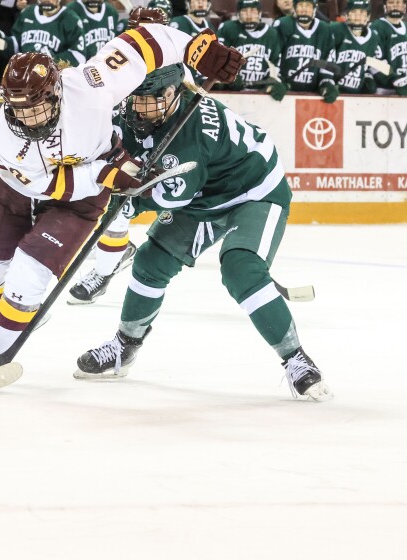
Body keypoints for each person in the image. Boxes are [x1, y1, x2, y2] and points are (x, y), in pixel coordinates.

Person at [0, 25, 243, 362]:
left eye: (36, 108)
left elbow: (141, 42)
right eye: (19, 110)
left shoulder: (91, 85)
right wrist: (104, 173)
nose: (27, 120)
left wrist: (197, 49)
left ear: (56, 94)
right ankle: (24, 311)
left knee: (28, 274)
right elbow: (45, 184)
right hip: (19, 189)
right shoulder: (6, 135)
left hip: (79, 204)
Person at [74, 64, 331, 403]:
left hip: (254, 191)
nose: (136, 108)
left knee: (241, 270)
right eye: (133, 99)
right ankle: (125, 346)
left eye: (145, 101)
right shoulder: (143, 110)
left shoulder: (188, 135)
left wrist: (128, 206)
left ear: (170, 95)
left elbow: (172, 195)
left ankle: (295, 358)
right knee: (151, 262)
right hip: (206, 193)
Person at [67, 6, 172, 306]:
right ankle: (105, 268)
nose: (144, 38)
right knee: (116, 205)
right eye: (138, 31)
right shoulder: (114, 56)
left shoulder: (177, 64)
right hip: (123, 137)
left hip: (160, 141)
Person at [217, 0, 285, 100]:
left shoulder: (271, 34)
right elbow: (218, 57)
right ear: (238, 14)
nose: (249, 15)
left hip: (260, 93)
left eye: (253, 11)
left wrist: (276, 81)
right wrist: (227, 77)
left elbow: (275, 63)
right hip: (232, 93)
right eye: (245, 11)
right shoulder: (228, 28)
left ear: (259, 13)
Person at [273, 0, 339, 102]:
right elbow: (274, 55)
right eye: (300, 5)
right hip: (285, 92)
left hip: (313, 94)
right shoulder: (283, 24)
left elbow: (327, 60)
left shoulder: (325, 29)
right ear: (294, 8)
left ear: (314, 9)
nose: (304, 9)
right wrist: (276, 81)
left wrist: (326, 82)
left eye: (308, 6)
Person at [3, 0, 87, 67]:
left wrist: (52, 59)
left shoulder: (71, 18)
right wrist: (2, 41)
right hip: (25, 75)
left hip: (55, 79)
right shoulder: (27, 13)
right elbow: (16, 45)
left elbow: (79, 56)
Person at [331, 0, 383, 94]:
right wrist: (326, 83)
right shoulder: (336, 30)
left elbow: (374, 64)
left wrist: (394, 78)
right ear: (347, 15)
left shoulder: (374, 37)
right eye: (354, 12)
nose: (358, 17)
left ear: (368, 17)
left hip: (357, 94)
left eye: (362, 13)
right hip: (334, 91)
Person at [371, 0, 407, 95]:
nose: (395, 6)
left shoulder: (406, 27)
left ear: (404, 6)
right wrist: (395, 80)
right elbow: (374, 62)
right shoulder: (377, 27)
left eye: (398, 2)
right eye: (391, 2)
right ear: (385, 6)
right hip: (385, 90)